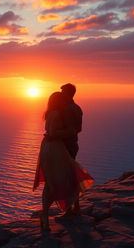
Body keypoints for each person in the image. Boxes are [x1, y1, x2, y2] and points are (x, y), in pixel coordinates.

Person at [33, 92, 94, 231]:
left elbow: (51, 132)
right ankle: (55, 214)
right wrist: (70, 132)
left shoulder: (52, 112)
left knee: (60, 177)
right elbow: (53, 133)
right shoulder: (56, 113)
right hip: (54, 149)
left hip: (51, 148)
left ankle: (49, 216)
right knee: (60, 178)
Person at [60, 83, 83, 217]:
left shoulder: (67, 109)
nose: (61, 94)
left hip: (66, 146)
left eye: (63, 92)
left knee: (66, 177)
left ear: (68, 93)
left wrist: (53, 135)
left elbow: (71, 130)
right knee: (71, 176)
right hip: (73, 144)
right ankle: (76, 207)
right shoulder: (77, 108)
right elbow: (78, 129)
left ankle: (69, 210)